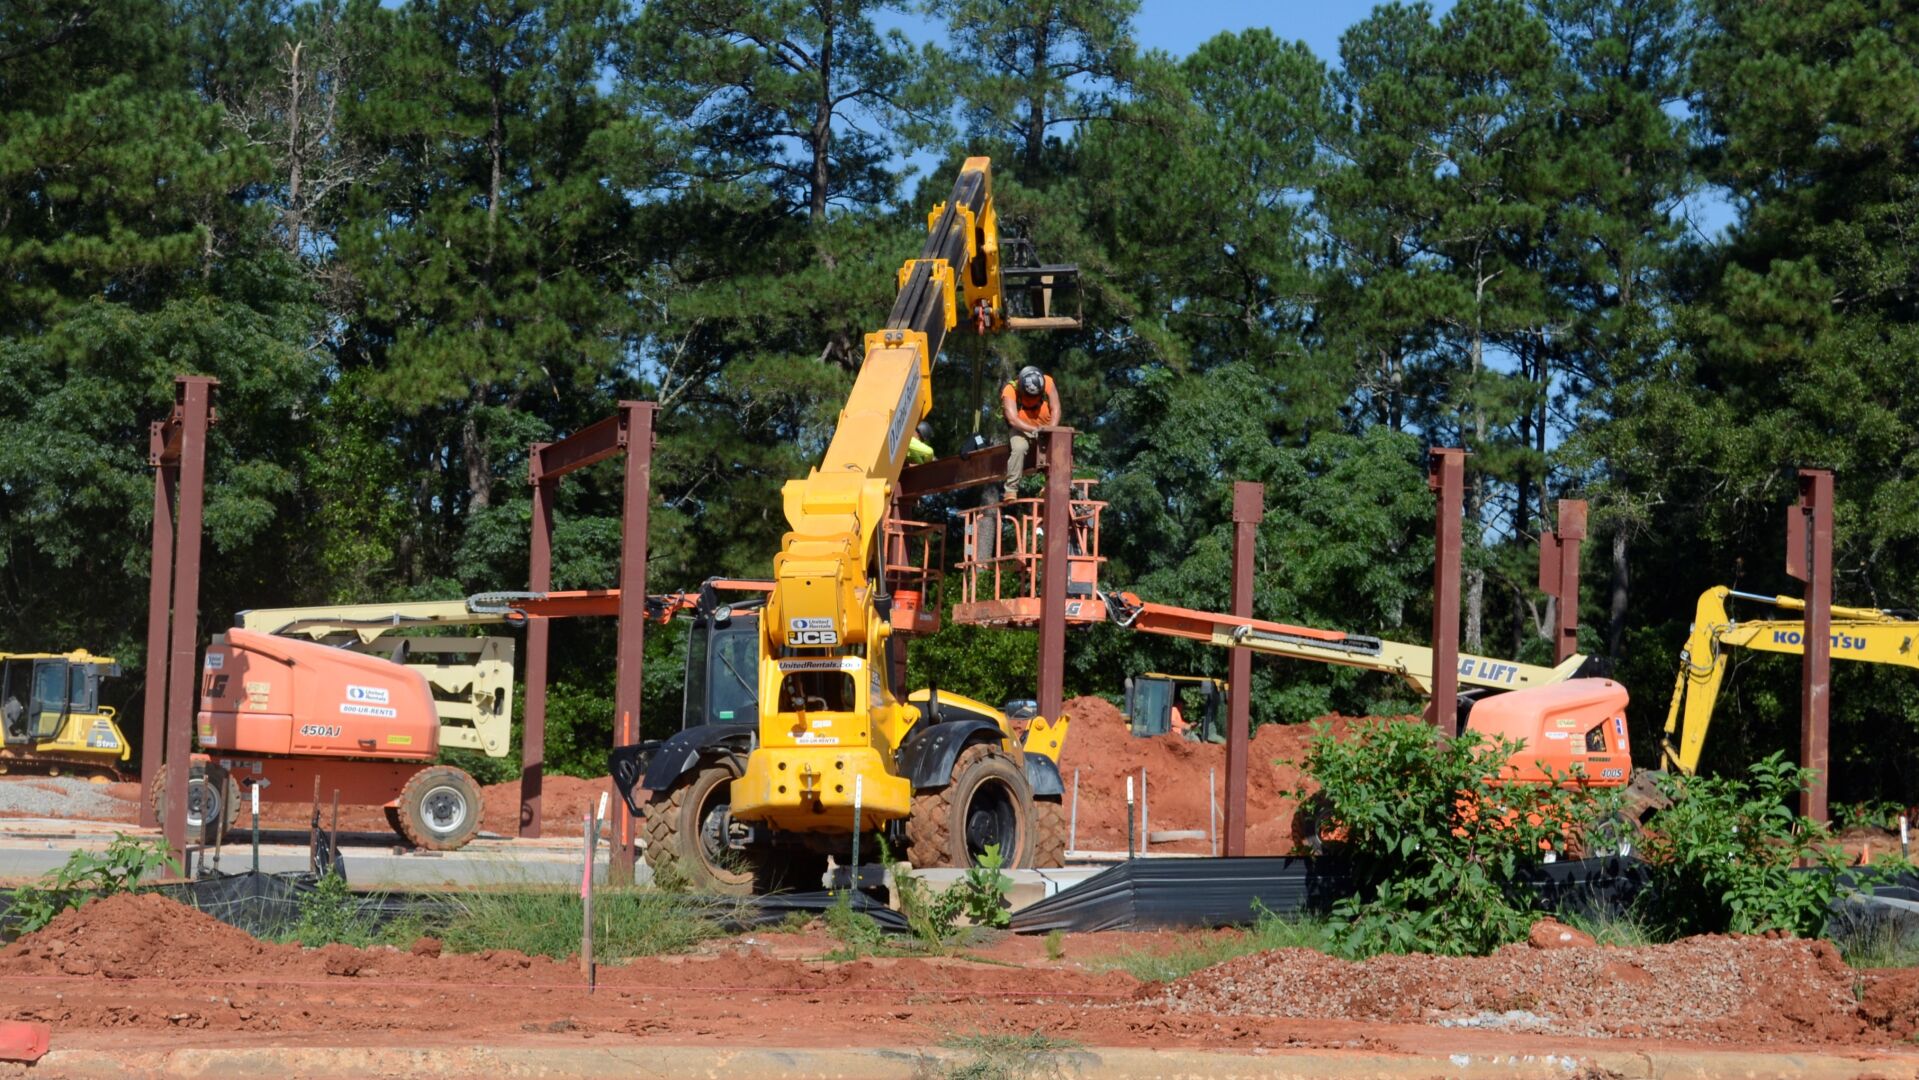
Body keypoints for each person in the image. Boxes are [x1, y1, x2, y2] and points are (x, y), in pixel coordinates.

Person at [1000, 364, 1060, 499]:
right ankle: (1011, 489)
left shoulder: (1048, 382)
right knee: (1019, 448)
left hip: (1046, 427)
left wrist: (1051, 429)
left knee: (1057, 450)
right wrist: (1035, 430)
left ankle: (1048, 487)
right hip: (1021, 429)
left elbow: (1056, 408)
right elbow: (1013, 419)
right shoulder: (1010, 390)